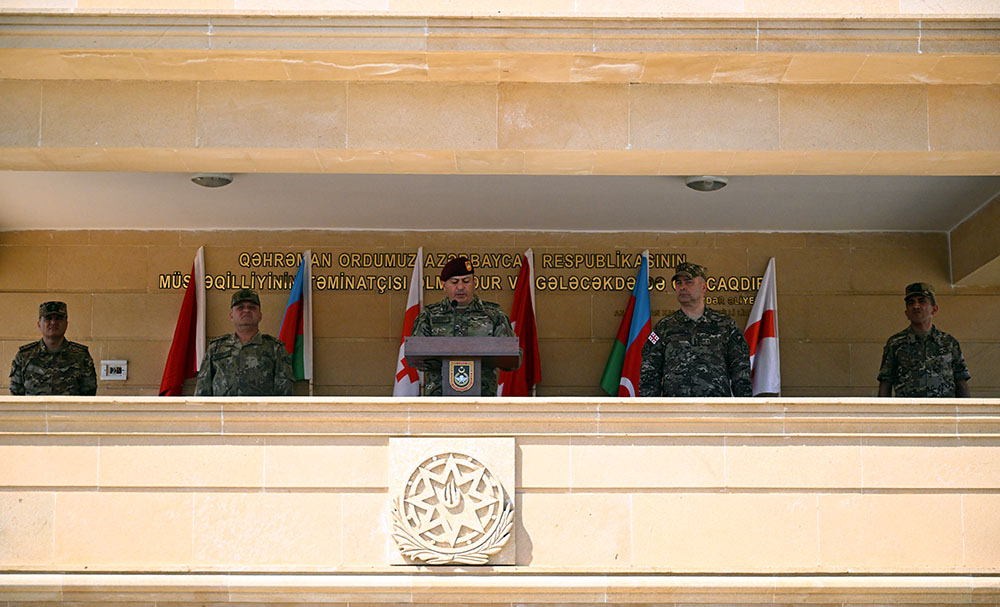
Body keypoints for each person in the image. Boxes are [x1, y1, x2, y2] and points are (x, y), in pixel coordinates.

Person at [638, 262, 752, 397]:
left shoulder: (725, 325)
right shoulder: (664, 328)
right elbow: (650, 373)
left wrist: (743, 409)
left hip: (716, 412)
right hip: (675, 412)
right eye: (679, 283)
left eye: (689, 282)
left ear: (703, 287)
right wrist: (651, 412)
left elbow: (740, 371)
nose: (683, 287)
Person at [411, 256, 518, 396]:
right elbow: (415, 352)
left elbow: (514, 357)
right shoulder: (429, 316)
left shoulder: (494, 315)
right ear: (443, 284)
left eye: (466, 281)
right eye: (454, 282)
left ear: (474, 282)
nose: (460, 287)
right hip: (439, 400)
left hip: (483, 399)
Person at [877, 282, 971, 397]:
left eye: (922, 301)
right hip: (909, 412)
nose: (916, 306)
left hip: (943, 412)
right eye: (911, 303)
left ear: (934, 309)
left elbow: (961, 381)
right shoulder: (895, 343)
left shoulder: (949, 343)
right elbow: (885, 382)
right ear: (906, 313)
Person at [195, 289, 294, 396]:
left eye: (252, 307)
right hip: (224, 412)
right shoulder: (216, 347)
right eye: (240, 307)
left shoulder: (275, 348)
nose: (246, 310)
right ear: (231, 316)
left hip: (260, 412)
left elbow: (285, 394)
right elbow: (202, 392)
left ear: (260, 315)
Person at [9, 301, 97, 396]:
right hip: (35, 411)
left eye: (59, 318)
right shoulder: (24, 356)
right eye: (48, 318)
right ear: (39, 324)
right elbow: (17, 394)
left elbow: (89, 394)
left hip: (69, 411)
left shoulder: (81, 356)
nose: (53, 322)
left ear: (66, 323)